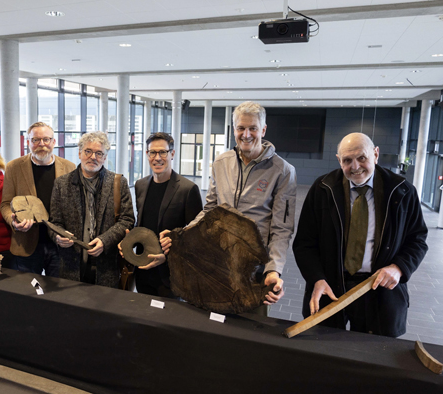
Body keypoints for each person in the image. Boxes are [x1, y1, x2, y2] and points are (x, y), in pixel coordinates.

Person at [293, 132, 428, 337]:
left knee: (373, 359)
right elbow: (304, 243)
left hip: (379, 291)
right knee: (324, 355)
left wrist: (399, 267)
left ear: (375, 154)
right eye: (347, 160)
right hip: (330, 287)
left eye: (361, 158)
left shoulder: (402, 191)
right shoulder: (322, 189)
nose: (355, 167)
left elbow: (417, 239)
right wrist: (316, 279)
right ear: (339, 161)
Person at [187, 101, 297, 308]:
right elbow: (210, 210)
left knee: (248, 331)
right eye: (241, 128)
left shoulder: (283, 171)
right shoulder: (221, 163)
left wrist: (273, 269)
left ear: (263, 130)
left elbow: (281, 229)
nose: (246, 134)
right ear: (234, 130)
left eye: (253, 128)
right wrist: (185, 233)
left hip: (254, 269)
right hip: (218, 261)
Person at [119, 132, 203, 298]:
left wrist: (167, 258)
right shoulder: (140, 185)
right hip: (143, 272)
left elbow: (197, 238)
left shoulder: (188, 189)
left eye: (162, 152)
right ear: (147, 155)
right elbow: (143, 225)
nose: (157, 158)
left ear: (172, 154)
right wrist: (129, 241)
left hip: (170, 276)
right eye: (153, 153)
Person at [49, 131, 135, 288]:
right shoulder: (62, 184)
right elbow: (55, 222)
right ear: (80, 153)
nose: (93, 157)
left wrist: (105, 240)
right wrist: (57, 236)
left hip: (106, 267)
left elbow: (128, 220)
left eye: (99, 153)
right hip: (71, 266)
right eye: (88, 151)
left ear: (105, 157)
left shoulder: (118, 183)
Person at [0, 122, 76, 275]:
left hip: (58, 244)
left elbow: (74, 207)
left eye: (46, 139)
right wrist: (14, 222)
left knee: (56, 295)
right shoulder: (14, 167)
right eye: (35, 140)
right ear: (28, 142)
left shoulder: (70, 168)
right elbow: (5, 204)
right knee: (28, 293)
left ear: (54, 142)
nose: (42, 144)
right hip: (26, 243)